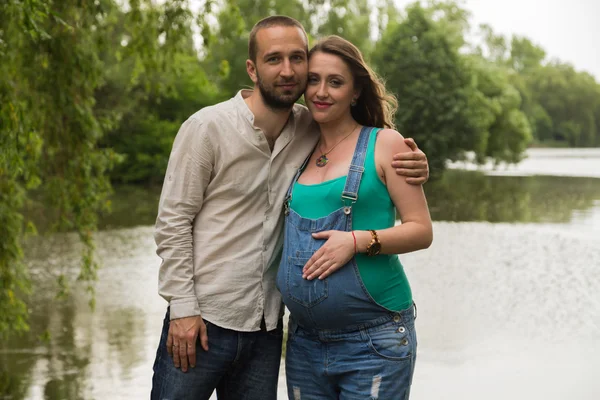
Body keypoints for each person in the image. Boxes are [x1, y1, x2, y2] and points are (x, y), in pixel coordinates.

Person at [151, 16, 429, 400]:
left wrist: (414, 165)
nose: (290, 72)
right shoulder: (208, 129)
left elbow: (369, 152)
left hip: (270, 330)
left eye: (298, 59)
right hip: (204, 323)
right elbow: (173, 223)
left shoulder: (313, 128)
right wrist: (181, 308)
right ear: (252, 68)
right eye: (274, 59)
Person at [276, 35, 433, 400]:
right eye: (313, 80)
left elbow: (421, 231)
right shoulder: (297, 141)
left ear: (356, 91)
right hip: (303, 343)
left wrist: (357, 241)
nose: (321, 92)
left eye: (335, 82)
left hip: (373, 343)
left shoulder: (385, 143)